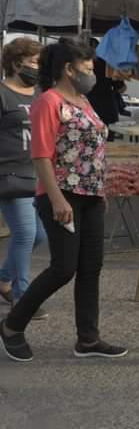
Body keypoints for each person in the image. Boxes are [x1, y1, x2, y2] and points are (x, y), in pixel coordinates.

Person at [0, 38, 127, 363]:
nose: (91, 71)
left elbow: (94, 149)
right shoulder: (49, 101)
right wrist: (56, 199)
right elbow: (41, 155)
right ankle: (12, 326)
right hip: (61, 195)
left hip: (91, 195)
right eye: (86, 66)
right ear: (68, 69)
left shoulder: (84, 100)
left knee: (90, 268)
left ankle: (88, 338)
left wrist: (101, 191)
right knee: (63, 267)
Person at [0, 38, 49, 320]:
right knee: (25, 233)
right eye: (33, 61)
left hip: (38, 173)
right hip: (10, 174)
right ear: (16, 62)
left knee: (39, 236)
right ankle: (22, 297)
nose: (37, 67)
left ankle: (3, 278)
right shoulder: (3, 93)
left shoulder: (39, 93)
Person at [86, 38, 126, 140]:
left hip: (87, 108)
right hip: (106, 108)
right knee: (107, 143)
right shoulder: (108, 63)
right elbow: (122, 88)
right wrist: (111, 92)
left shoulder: (80, 65)